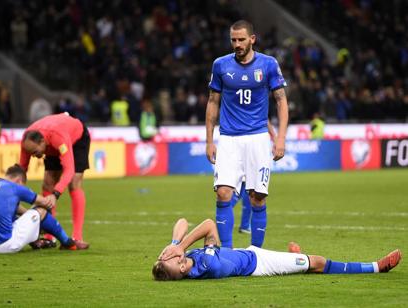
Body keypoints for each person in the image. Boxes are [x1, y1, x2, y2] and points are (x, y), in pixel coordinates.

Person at [205, 20, 288, 248]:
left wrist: (279, 138)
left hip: (258, 139)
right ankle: (228, 253)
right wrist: (210, 141)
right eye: (233, 40)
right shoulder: (220, 65)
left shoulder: (268, 64)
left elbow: (281, 101)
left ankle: (256, 254)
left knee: (257, 197)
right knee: (223, 193)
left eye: (241, 39)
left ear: (253, 39)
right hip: (229, 139)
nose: (237, 44)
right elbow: (213, 102)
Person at [152, 218, 402, 280]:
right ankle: (376, 267)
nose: (180, 261)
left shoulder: (193, 259)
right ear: (182, 269)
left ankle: (295, 258)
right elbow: (207, 224)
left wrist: (174, 245)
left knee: (305, 261)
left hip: (251, 252)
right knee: (317, 262)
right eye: (178, 265)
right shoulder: (208, 265)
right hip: (261, 265)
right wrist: (182, 246)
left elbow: (185, 221)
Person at [19, 112, 90, 249]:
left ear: (42, 142)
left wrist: (56, 194)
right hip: (52, 145)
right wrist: (14, 192)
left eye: (35, 152)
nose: (33, 156)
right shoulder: (27, 141)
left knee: (74, 183)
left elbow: (69, 170)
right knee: (47, 183)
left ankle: (77, 237)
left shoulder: (58, 138)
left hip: (76, 140)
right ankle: (49, 237)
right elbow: (22, 169)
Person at [0, 165, 86, 253]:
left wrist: (32, 220)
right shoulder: (15, 187)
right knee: (42, 210)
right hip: (4, 246)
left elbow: (11, 208)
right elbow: (45, 203)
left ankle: (36, 241)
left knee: (14, 216)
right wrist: (52, 197)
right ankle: (67, 242)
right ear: (19, 180)